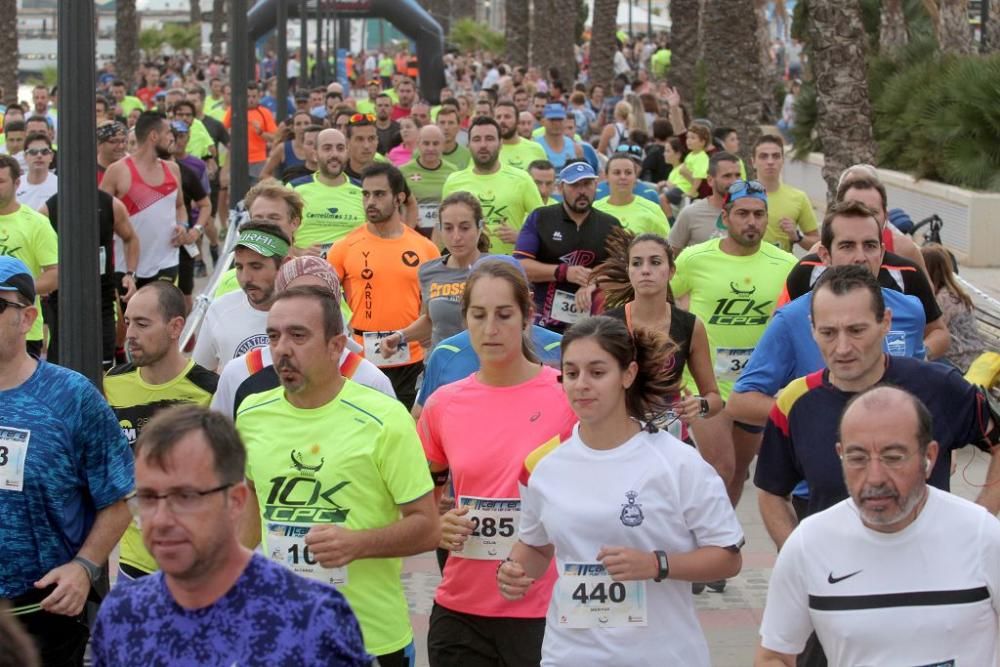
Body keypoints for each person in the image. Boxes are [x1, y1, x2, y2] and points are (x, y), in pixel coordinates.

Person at [497, 315, 744, 665]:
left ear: (627, 375)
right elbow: (536, 548)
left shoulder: (678, 464)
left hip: (660, 655)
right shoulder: (543, 466)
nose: (581, 384)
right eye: (571, 373)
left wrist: (656, 564)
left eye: (597, 373)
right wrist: (513, 571)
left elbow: (728, 558)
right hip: (569, 654)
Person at [236, 284, 440, 665]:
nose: (282, 348)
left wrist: (356, 544)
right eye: (274, 336)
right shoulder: (251, 413)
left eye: (298, 335)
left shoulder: (385, 419)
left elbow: (428, 528)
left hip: (367, 639)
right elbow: (252, 501)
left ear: (336, 346)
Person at [91, 404, 371, 666]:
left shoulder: (315, 618)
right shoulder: (122, 615)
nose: (161, 520)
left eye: (186, 496)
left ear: (235, 501)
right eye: (148, 498)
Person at [754, 267, 1000, 550]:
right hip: (839, 580)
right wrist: (799, 559)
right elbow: (771, 492)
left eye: (856, 330)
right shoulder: (794, 401)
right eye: (828, 333)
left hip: (931, 574)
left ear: (885, 322)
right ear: (812, 329)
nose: (842, 347)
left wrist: (981, 522)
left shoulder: (938, 386)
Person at [755, 386, 1000, 667]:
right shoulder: (808, 543)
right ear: (840, 455)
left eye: (893, 457)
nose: (874, 478)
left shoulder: (983, 535)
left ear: (928, 457)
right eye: (857, 458)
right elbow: (774, 654)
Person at [418, 259, 578, 666]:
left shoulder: (567, 397)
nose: (491, 329)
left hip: (545, 612)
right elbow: (418, 507)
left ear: (527, 317)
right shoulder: (443, 405)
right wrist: (437, 525)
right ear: (465, 319)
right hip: (462, 613)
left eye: (504, 315)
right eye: (479, 315)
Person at [0, 255, 133, 666]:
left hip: (42, 617)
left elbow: (119, 497)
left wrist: (84, 566)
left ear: (27, 318)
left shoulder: (71, 396)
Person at [727, 203, 932, 428]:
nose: (860, 257)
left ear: (882, 253)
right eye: (847, 246)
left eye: (870, 245)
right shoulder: (792, 318)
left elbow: (921, 387)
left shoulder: (911, 309)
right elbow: (740, 402)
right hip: (823, 459)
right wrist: (814, 415)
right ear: (825, 255)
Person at [670, 180, 798, 504]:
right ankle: (706, 537)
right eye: (742, 213)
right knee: (719, 467)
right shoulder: (694, 259)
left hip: (755, 387)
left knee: (738, 472)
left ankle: (720, 542)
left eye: (759, 214)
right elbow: (665, 300)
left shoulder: (787, 266)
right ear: (725, 217)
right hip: (704, 384)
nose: (751, 221)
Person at [104, 282, 219, 580]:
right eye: (128, 322)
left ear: (175, 326)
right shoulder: (111, 385)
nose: (130, 334)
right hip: (133, 564)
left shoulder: (209, 390)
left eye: (142, 324)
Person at [781, 175, 948, 358]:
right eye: (853, 209)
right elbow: (780, 330)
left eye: (871, 211)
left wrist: (913, 360)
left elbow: (938, 331)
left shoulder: (907, 271)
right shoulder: (807, 269)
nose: (860, 217)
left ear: (885, 216)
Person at [212, 256, 395, 418]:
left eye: (319, 297)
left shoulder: (370, 380)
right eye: (294, 295)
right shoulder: (239, 373)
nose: (305, 306)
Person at [327, 162, 440, 408]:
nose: (370, 201)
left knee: (407, 428)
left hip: (411, 361)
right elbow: (324, 300)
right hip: (362, 360)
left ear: (399, 197)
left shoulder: (425, 248)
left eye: (379, 194)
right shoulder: (345, 247)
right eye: (366, 194)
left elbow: (432, 310)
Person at [595, 230, 723, 430]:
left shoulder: (690, 325)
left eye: (655, 262)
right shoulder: (606, 324)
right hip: (618, 435)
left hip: (668, 436)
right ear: (628, 270)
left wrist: (699, 405)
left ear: (671, 271)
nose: (645, 270)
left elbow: (714, 399)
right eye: (637, 263)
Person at [380, 192, 491, 359]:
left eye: (465, 227)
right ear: (439, 229)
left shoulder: (497, 268)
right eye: (448, 228)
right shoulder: (429, 271)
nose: (456, 236)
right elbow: (430, 320)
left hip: (485, 368)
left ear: (480, 227)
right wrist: (400, 336)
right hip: (441, 367)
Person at [514, 161, 621, 333]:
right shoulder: (541, 218)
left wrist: (594, 282)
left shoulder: (610, 225)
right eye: (574, 185)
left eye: (587, 184)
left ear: (596, 185)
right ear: (560, 187)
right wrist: (563, 272)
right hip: (543, 320)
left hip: (594, 322)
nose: (582, 191)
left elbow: (622, 273)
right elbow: (520, 265)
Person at [100, 111, 192, 289]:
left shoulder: (172, 169)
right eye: (168, 133)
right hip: (126, 267)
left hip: (167, 262)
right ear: (153, 136)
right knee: (131, 317)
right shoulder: (117, 171)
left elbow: (180, 207)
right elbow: (99, 215)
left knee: (163, 314)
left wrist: (183, 226)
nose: (172, 139)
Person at [192, 222, 291, 371]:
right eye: (239, 267)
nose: (245, 278)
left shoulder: (314, 313)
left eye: (256, 267)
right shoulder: (219, 310)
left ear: (284, 265)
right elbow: (200, 376)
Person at [441, 116, 543, 255]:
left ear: (501, 143)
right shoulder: (454, 181)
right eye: (477, 139)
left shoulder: (522, 179)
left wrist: (521, 237)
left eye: (489, 138)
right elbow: (443, 227)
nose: (483, 145)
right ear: (468, 145)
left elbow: (544, 227)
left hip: (509, 268)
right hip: (467, 269)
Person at [0, 155, 58, 356]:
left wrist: (16, 288)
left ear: (17, 183)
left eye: (0, 181)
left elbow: (54, 275)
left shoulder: (36, 223)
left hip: (24, 329)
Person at [289, 128, 366, 254]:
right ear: (315, 154)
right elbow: (277, 236)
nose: (334, 154)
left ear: (347, 152)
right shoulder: (294, 189)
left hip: (352, 267)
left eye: (340, 148)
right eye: (327, 148)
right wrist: (299, 253)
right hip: (306, 268)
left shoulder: (364, 191)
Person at [922, 243, 989, 372]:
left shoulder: (944, 298)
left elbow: (928, 332)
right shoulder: (952, 293)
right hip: (969, 357)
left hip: (960, 363)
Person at [752, 134, 818, 252]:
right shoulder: (739, 195)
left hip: (783, 269)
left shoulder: (798, 197)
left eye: (776, 156)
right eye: (763, 156)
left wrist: (797, 236)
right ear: (753, 162)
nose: (770, 161)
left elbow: (817, 244)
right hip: (746, 268)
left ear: (783, 161)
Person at [668, 151, 741, 254]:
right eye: (727, 176)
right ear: (710, 180)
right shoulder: (691, 213)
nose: (734, 181)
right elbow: (670, 254)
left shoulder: (749, 213)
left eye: (737, 175)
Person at [400, 124, 458, 239]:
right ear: (418, 144)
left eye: (436, 144)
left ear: (443, 145)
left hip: (445, 236)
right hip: (413, 234)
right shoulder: (403, 171)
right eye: (426, 143)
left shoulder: (453, 171)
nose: (431, 148)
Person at [593, 152, 670, 236]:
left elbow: (666, 245)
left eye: (628, 173)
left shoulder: (652, 210)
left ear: (635, 177)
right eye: (617, 172)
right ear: (606, 177)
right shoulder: (594, 210)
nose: (623, 177)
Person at [222, 82, 277, 185]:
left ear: (259, 96)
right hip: (237, 160)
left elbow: (275, 137)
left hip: (258, 161)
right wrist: (229, 143)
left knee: (256, 194)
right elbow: (222, 130)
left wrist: (261, 132)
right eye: (248, 96)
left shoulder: (265, 113)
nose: (251, 99)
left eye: (254, 96)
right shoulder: (234, 110)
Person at [259, 110, 313, 182]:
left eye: (306, 123)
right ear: (292, 128)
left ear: (312, 126)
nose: (303, 127)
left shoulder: (318, 148)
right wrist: (281, 185)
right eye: (298, 124)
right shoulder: (283, 148)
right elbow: (263, 174)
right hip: (290, 192)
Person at [496, 100, 547, 171]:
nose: (502, 121)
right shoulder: (489, 151)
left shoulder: (536, 149)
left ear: (517, 121)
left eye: (507, 117)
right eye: (498, 117)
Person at [534, 103, 585, 171]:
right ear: (543, 122)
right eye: (552, 120)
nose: (556, 124)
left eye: (560, 119)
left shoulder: (576, 149)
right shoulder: (534, 146)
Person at [16, 132, 57, 210]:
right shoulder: (15, 185)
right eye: (33, 152)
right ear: (25, 156)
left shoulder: (60, 186)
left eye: (44, 152)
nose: (39, 155)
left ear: (51, 156)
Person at [343, 112, 381, 184]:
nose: (366, 146)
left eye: (371, 138)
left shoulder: (388, 176)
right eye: (359, 139)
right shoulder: (337, 177)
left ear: (377, 141)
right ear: (348, 142)